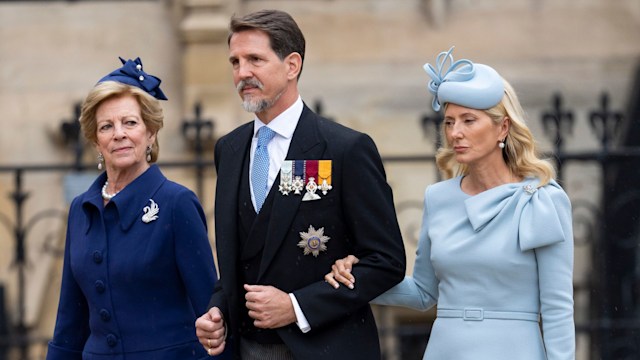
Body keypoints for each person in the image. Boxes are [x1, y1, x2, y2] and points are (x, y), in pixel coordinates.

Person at [325, 47, 575, 360]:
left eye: (469, 120)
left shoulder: (543, 198)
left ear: (503, 127)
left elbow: (557, 307)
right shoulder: (438, 197)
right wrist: (356, 277)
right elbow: (422, 293)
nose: (455, 133)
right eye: (449, 122)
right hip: (446, 350)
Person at [194, 9, 406, 360]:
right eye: (235, 61)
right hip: (247, 350)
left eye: (255, 60)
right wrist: (219, 312)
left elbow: (386, 261)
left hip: (327, 348)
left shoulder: (344, 149)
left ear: (292, 65)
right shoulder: (228, 150)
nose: (242, 72)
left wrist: (297, 306)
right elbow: (241, 258)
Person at [47, 57, 222, 359]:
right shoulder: (81, 208)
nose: (119, 134)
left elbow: (211, 312)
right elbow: (70, 320)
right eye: (106, 126)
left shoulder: (176, 203)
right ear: (96, 140)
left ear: (150, 133)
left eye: (130, 122)